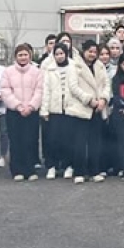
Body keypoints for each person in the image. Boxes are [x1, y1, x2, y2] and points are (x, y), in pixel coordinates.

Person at [66, 40, 110, 184]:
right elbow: (73, 87)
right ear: (83, 51)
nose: (92, 54)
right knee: (79, 143)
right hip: (81, 108)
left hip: (97, 109)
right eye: (89, 51)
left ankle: (94, 171)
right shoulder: (74, 66)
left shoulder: (100, 66)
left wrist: (103, 99)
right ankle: (79, 172)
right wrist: (89, 100)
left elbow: (106, 84)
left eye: (94, 52)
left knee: (95, 142)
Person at [0, 43, 44, 183]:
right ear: (16, 57)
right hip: (14, 112)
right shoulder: (8, 72)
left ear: (29, 56)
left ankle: (30, 170)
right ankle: (17, 170)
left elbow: (40, 90)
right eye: (20, 55)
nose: (23, 57)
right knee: (16, 141)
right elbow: (5, 91)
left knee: (30, 140)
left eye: (25, 55)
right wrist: (18, 106)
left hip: (31, 112)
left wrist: (31, 106)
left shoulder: (37, 72)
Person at [39, 43, 74, 179]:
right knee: (52, 139)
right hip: (54, 109)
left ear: (66, 54)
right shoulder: (50, 69)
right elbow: (46, 90)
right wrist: (44, 110)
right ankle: (51, 166)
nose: (60, 56)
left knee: (68, 140)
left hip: (69, 109)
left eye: (62, 53)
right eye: (57, 54)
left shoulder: (73, 67)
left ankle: (68, 166)